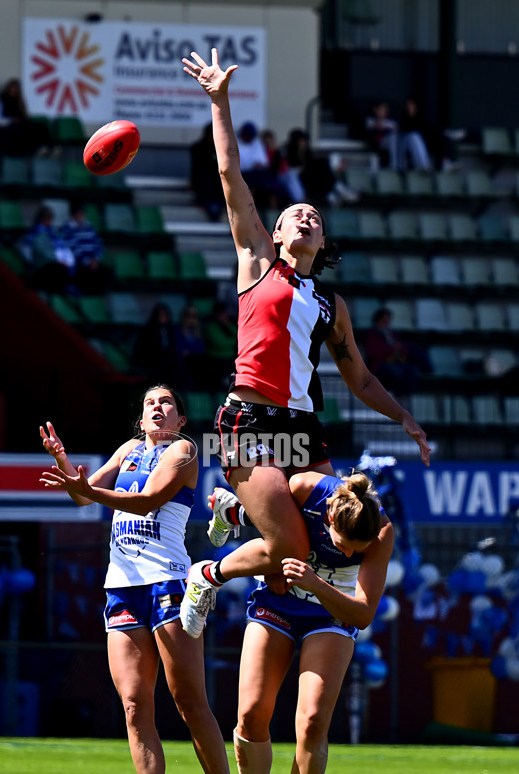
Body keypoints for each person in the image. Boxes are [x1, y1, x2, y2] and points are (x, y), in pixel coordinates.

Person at [177, 48, 429, 637]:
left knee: (324, 542)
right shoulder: (258, 261)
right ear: (280, 231)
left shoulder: (331, 306)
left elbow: (361, 380)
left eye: (314, 214)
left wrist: (406, 420)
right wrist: (220, 101)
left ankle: (234, 508)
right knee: (290, 550)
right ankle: (206, 574)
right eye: (296, 212)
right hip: (248, 420)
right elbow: (230, 178)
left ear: (322, 239)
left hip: (302, 428)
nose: (306, 216)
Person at [39, 385, 249, 774]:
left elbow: (145, 501)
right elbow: (81, 499)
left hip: (168, 583)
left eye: (168, 402)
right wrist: (67, 465)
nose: (158, 406)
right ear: (140, 417)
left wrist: (84, 487)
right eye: (151, 402)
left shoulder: (184, 450)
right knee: (134, 705)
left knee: (190, 702)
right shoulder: (130, 449)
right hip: (123, 587)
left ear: (179, 417)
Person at [209, 469, 394, 774]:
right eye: (344, 546)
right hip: (277, 604)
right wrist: (274, 564)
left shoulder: (381, 530)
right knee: (251, 713)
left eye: (353, 552)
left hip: (332, 612)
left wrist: (316, 584)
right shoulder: (305, 489)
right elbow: (274, 529)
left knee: (311, 721)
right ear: (329, 519)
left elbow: (361, 613)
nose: (347, 555)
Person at [364, 307, 431, 398]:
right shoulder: (372, 335)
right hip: (381, 363)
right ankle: (396, 398)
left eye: (388, 321)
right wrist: (391, 349)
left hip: (397, 361)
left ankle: (406, 397)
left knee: (413, 371)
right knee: (397, 372)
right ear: (378, 320)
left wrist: (400, 349)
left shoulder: (392, 334)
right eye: (384, 320)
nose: (386, 323)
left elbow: (401, 347)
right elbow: (373, 352)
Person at [21, 205, 76, 295]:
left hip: (55, 263)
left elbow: (62, 248)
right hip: (40, 267)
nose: (49, 221)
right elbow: (40, 253)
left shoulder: (52, 233)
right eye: (47, 218)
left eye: (50, 219)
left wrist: (66, 260)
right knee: (58, 271)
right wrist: (57, 260)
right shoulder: (35, 233)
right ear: (41, 219)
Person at [60, 201, 111, 295]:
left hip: (93, 262)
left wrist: (96, 259)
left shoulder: (90, 227)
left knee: (107, 272)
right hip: (78, 264)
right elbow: (72, 249)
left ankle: (96, 300)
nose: (81, 215)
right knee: (86, 275)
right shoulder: (66, 229)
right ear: (73, 214)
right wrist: (88, 261)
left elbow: (99, 244)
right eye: (78, 212)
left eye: (82, 212)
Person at [0, 78, 53, 156]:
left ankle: (46, 147)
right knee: (20, 130)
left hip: (22, 121)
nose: (14, 89)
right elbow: (0, 114)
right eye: (13, 87)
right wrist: (12, 119)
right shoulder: (3, 98)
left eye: (16, 88)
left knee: (41, 126)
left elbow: (24, 114)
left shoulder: (19, 99)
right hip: (10, 122)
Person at [190, 122, 225, 222]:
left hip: (218, 186)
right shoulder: (198, 148)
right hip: (204, 185)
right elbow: (196, 169)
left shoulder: (222, 150)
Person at [365, 101, 400, 169]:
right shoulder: (370, 120)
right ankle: (394, 166)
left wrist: (385, 127)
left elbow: (396, 130)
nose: (382, 112)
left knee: (393, 138)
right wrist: (379, 119)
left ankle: (395, 166)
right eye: (380, 110)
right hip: (377, 144)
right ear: (375, 110)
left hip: (390, 144)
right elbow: (375, 128)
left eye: (384, 110)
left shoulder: (391, 122)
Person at [399, 98, 432, 171]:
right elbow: (402, 130)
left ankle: (424, 166)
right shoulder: (402, 118)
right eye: (408, 106)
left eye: (412, 106)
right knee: (413, 136)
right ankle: (423, 165)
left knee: (416, 137)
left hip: (416, 143)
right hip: (402, 143)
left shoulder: (420, 118)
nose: (410, 108)